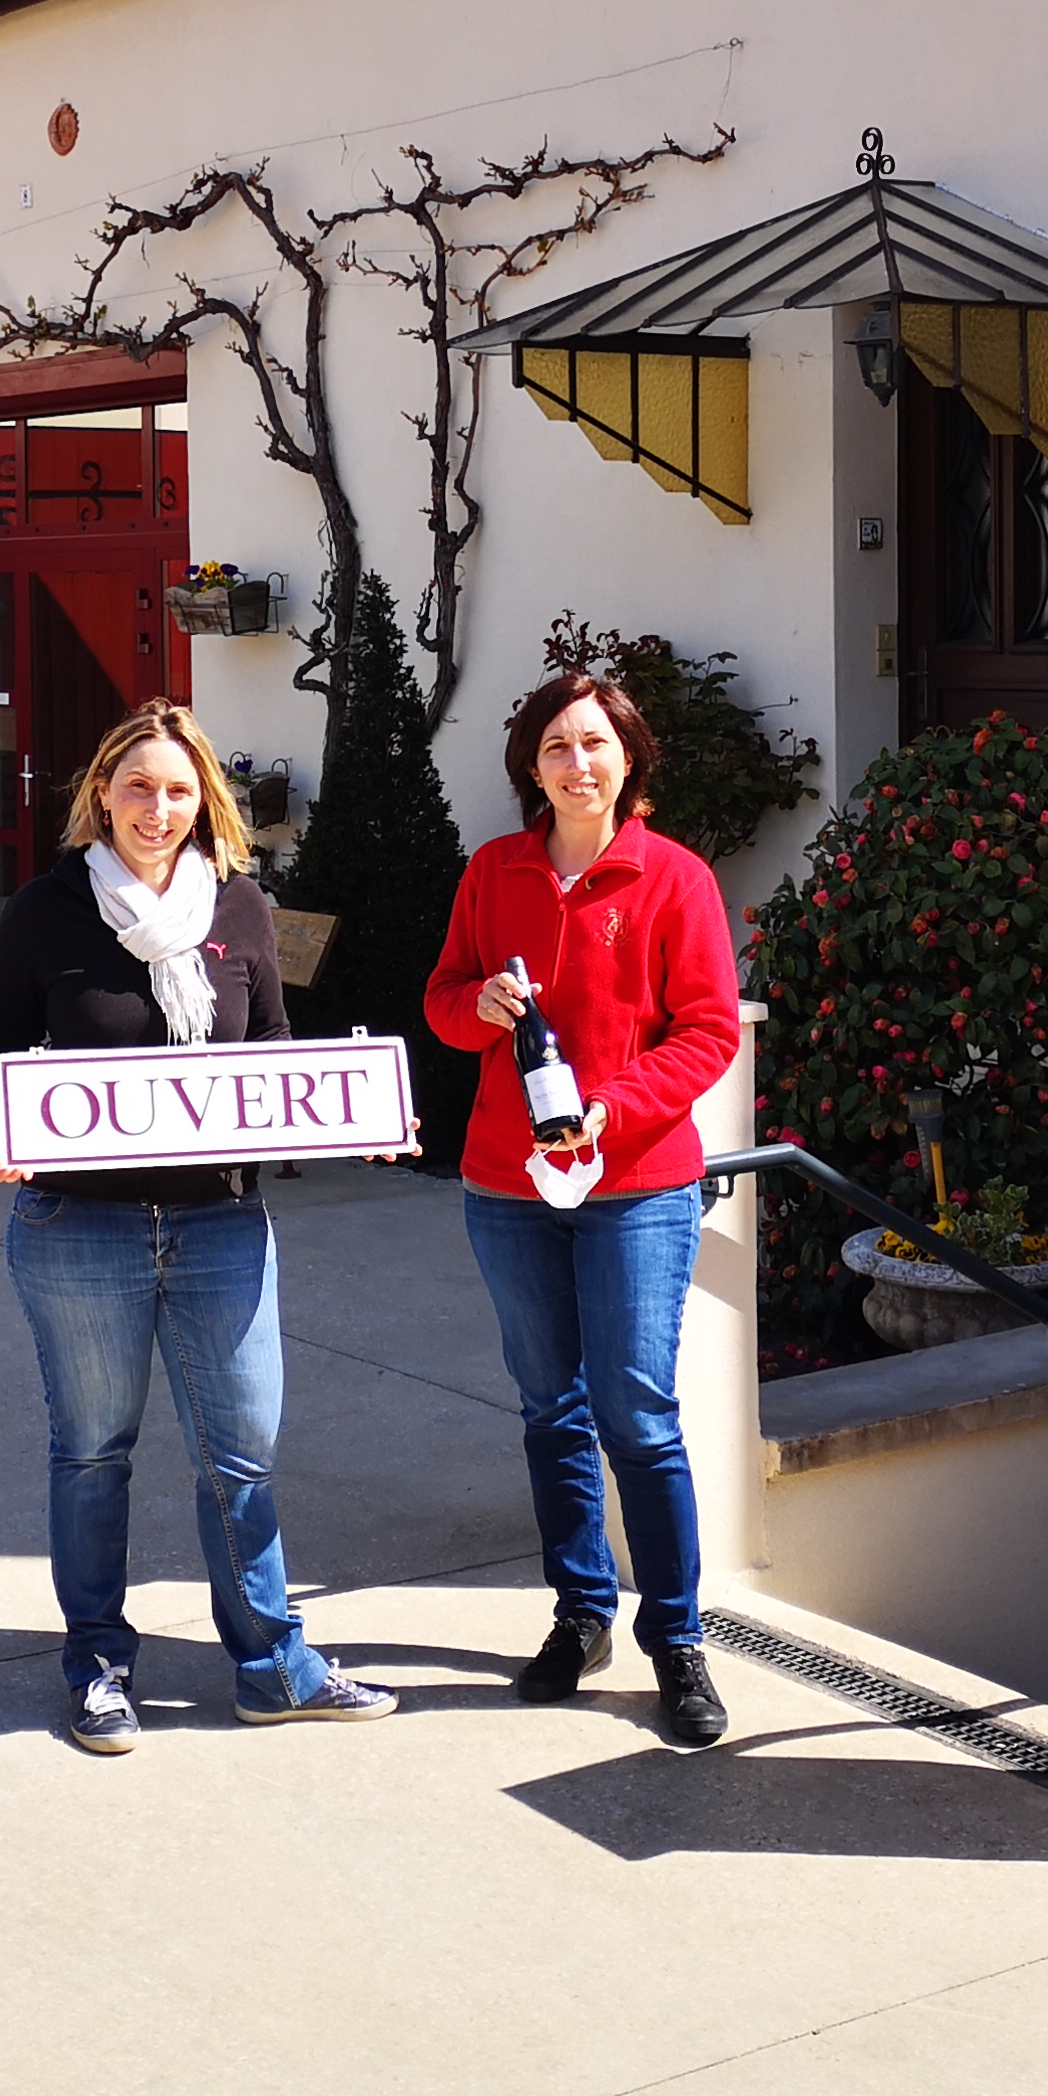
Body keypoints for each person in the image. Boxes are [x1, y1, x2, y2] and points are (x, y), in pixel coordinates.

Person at [0, 698, 396, 1752]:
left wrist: (356, 1113)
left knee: (240, 1455)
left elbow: (278, 1049)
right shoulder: (45, 910)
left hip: (219, 1227)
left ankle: (270, 1662)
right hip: (79, 1225)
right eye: (134, 787)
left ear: (202, 798)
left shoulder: (239, 906)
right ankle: (98, 1668)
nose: (155, 808)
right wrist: (6, 1125)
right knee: (92, 1454)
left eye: (175, 789)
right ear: (99, 797)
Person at [423, 665, 746, 1749]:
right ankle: (579, 1613)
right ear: (530, 765)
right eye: (555, 748)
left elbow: (707, 1031)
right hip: (507, 1186)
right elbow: (443, 1004)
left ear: (627, 759)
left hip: (636, 1185)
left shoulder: (672, 879)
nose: (575, 765)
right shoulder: (493, 871)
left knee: (635, 1419)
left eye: (593, 746)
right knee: (546, 1410)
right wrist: (475, 1003)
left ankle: (678, 1640)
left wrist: (609, 1109)